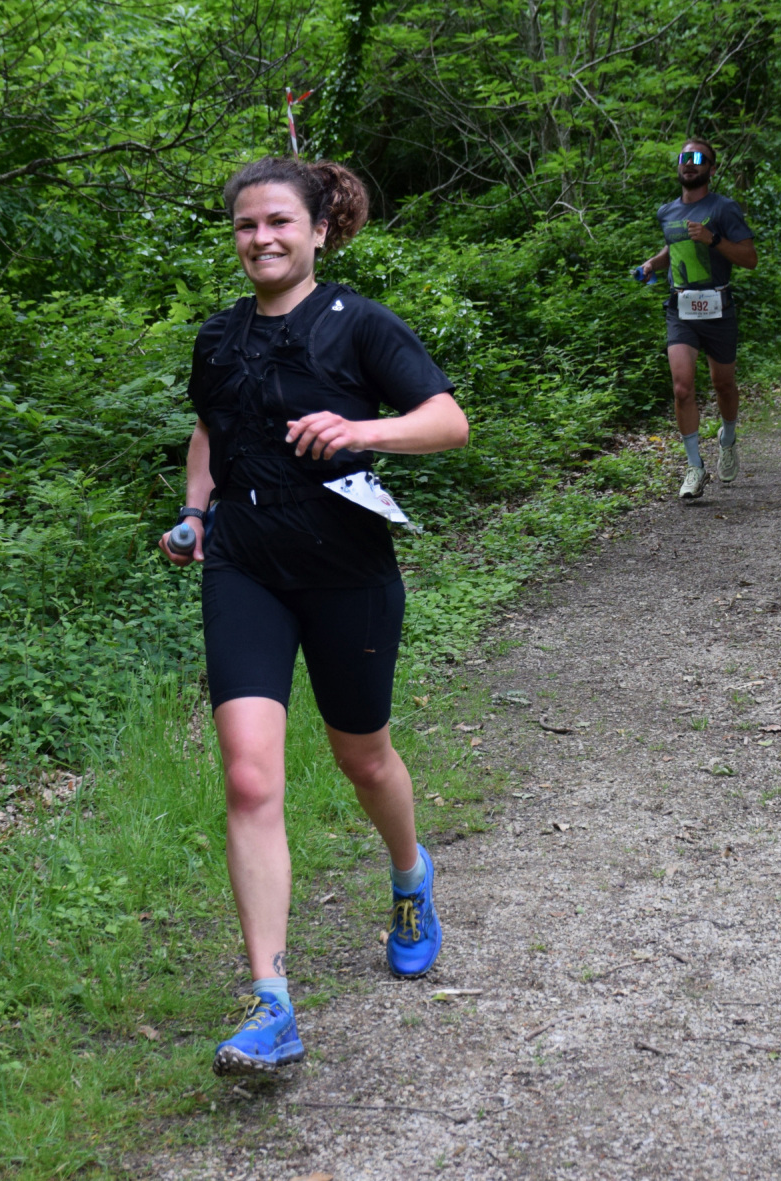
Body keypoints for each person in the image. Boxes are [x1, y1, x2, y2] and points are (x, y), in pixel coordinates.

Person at [162, 156, 470, 1076]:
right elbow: (210, 429)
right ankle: (271, 1001)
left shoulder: (359, 323)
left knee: (362, 756)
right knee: (250, 777)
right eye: (246, 224)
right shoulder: (218, 337)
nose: (261, 238)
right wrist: (193, 513)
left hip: (346, 571)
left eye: (279, 222)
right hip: (244, 566)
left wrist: (363, 430)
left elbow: (447, 421)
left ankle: (410, 876)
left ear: (319, 230)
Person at [631, 137, 758, 501]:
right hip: (681, 308)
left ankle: (728, 439)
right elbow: (675, 246)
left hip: (718, 308)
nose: (690, 163)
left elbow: (750, 258)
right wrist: (652, 264)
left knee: (723, 385)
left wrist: (713, 239)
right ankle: (694, 467)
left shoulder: (724, 208)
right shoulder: (667, 211)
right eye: (684, 157)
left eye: (699, 158)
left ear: (711, 169)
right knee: (682, 388)